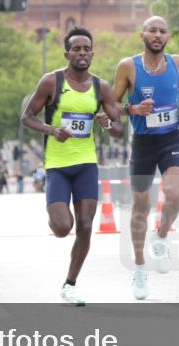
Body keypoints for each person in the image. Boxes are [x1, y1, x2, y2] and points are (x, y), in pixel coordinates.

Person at [21, 27, 124, 306]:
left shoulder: (101, 87)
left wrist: (107, 124)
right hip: (57, 165)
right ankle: (54, 220)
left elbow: (119, 130)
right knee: (63, 227)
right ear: (67, 53)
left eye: (86, 49)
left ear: (92, 52)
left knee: (87, 225)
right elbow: (27, 117)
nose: (82, 53)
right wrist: (52, 130)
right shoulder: (51, 82)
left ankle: (70, 283)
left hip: (86, 164)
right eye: (76, 49)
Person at [113, 16, 179, 300]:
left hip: (172, 138)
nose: (157, 35)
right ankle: (139, 270)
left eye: (162, 31)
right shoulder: (128, 66)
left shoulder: (178, 62)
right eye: (152, 30)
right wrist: (132, 110)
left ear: (168, 37)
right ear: (142, 35)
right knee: (141, 207)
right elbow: (112, 105)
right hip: (143, 143)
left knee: (173, 196)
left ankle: (160, 238)